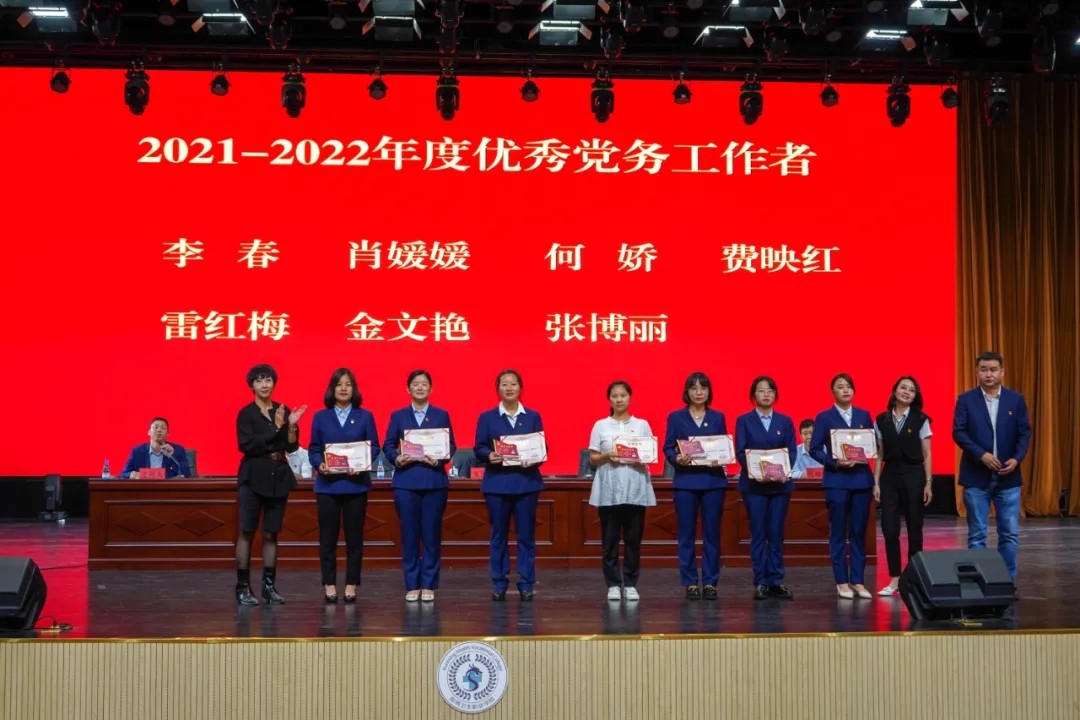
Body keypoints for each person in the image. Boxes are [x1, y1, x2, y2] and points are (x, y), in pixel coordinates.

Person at [952, 351, 1032, 585]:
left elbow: (1024, 433)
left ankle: (1006, 582)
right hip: (976, 476)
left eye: (993, 369)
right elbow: (959, 432)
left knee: (1009, 534)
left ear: (1002, 372)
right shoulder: (966, 400)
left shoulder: (1015, 400)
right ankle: (980, 583)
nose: (989, 374)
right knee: (977, 534)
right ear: (977, 372)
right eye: (984, 369)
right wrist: (981, 455)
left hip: (1008, 477)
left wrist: (1017, 459)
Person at [235, 364, 307, 605]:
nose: (265, 385)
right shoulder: (246, 414)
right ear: (252, 385)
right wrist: (276, 427)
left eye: (268, 380)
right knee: (247, 531)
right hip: (253, 475)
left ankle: (268, 586)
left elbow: (291, 446)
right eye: (259, 381)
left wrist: (292, 425)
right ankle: (243, 587)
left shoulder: (282, 410)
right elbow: (248, 445)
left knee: (271, 533)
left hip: (278, 475)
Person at [383, 370, 457, 603]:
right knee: (409, 535)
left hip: (434, 481)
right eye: (415, 384)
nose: (420, 387)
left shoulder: (441, 414)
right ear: (408, 389)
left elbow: (450, 445)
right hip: (406, 481)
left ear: (431, 389)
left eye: (424, 384)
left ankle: (429, 584)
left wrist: (440, 459)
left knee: (432, 535)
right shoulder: (398, 415)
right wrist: (396, 458)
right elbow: (388, 445)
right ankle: (412, 584)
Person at [308, 368, 378, 604]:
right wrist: (319, 464)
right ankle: (329, 584)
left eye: (348, 384)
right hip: (327, 486)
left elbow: (374, 447)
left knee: (354, 539)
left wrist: (363, 463)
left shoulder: (365, 416)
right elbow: (314, 449)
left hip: (356, 486)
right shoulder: (321, 417)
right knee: (327, 539)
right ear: (332, 389)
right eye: (339, 384)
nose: (344, 388)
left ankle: (351, 585)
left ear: (354, 388)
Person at [474, 369, 545, 601]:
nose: (509, 388)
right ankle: (499, 582)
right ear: (498, 389)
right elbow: (479, 448)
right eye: (504, 384)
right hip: (497, 485)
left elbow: (541, 449)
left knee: (526, 537)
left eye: (513, 383)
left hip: (526, 484)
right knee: (498, 536)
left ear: (520, 387)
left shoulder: (532, 416)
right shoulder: (487, 417)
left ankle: (526, 582)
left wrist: (534, 458)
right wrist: (489, 455)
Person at [587, 381, 657, 602]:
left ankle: (631, 583)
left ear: (630, 398)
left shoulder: (642, 425)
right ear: (609, 399)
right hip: (609, 489)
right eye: (615, 396)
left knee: (633, 541)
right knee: (610, 541)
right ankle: (613, 585)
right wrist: (607, 456)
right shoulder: (600, 425)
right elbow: (593, 458)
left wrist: (641, 456)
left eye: (623, 395)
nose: (619, 399)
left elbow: (650, 454)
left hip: (635, 487)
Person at [662, 372, 728, 601]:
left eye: (703, 388)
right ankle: (690, 581)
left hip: (713, 482)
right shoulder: (676, 417)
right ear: (687, 392)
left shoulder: (718, 417)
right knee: (686, 534)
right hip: (686, 482)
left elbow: (722, 446)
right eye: (694, 388)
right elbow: (668, 448)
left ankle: (710, 582)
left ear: (709, 391)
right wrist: (676, 458)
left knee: (712, 534)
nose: (699, 392)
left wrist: (722, 457)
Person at [809, 373, 874, 600]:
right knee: (837, 532)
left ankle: (858, 580)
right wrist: (834, 462)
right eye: (840, 387)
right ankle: (841, 581)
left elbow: (870, 444)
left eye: (849, 386)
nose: (845, 390)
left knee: (858, 532)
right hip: (836, 481)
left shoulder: (864, 415)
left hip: (861, 481)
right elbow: (814, 448)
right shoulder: (824, 417)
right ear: (832, 392)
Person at [735, 376, 798, 601]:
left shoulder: (785, 421)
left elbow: (791, 451)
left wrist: (780, 471)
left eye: (770, 390)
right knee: (759, 534)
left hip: (779, 487)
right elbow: (741, 451)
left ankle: (776, 580)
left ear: (775, 395)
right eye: (761, 390)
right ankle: (761, 581)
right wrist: (757, 472)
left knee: (776, 533)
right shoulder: (744, 420)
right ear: (754, 395)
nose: (766, 394)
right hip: (755, 486)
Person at [873, 376, 933, 597]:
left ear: (915, 396)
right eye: (903, 388)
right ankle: (895, 579)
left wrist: (928, 483)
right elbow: (879, 454)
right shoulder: (881, 420)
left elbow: (927, 454)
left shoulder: (921, 419)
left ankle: (915, 579)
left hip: (914, 475)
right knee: (889, 529)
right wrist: (876, 482)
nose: (907, 392)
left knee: (915, 527)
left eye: (912, 390)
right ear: (895, 390)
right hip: (889, 476)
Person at [120, 417, 191, 479]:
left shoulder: (177, 450)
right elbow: (124, 473)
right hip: (144, 489)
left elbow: (187, 474)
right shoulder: (137, 451)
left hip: (168, 489)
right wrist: (130, 474)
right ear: (149, 432)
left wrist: (172, 456)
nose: (159, 430)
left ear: (167, 433)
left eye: (163, 428)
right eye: (156, 427)